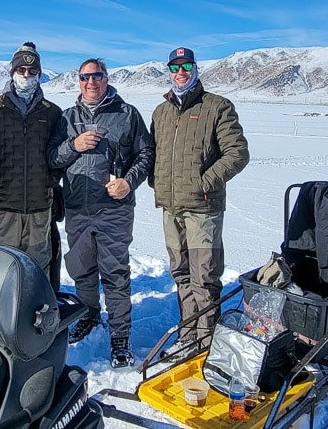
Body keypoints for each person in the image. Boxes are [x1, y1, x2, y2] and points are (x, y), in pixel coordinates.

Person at [48, 58, 154, 368]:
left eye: (97, 76)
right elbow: (52, 157)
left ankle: (120, 337)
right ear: (78, 81)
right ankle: (89, 315)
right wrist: (74, 145)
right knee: (82, 270)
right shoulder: (66, 119)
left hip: (114, 210)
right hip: (78, 208)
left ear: (106, 79)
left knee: (115, 274)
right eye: (84, 77)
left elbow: (145, 153)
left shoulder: (127, 114)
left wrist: (128, 182)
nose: (91, 82)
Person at [150, 47, 250, 352]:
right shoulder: (161, 112)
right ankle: (187, 335)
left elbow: (238, 153)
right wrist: (157, 181)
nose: (181, 72)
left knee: (204, 277)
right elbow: (154, 152)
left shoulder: (217, 107)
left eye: (187, 66)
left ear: (196, 68)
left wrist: (203, 182)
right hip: (170, 207)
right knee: (181, 273)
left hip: (202, 208)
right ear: (168, 70)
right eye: (175, 67)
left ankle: (206, 343)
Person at [0, 41, 65, 292]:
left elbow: (59, 155)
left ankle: (37, 324)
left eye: (32, 71)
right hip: (3, 207)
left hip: (39, 207)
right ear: (12, 72)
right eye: (21, 71)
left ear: (39, 74)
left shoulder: (53, 113)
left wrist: (49, 181)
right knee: (1, 270)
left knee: (37, 268)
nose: (27, 76)